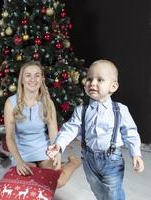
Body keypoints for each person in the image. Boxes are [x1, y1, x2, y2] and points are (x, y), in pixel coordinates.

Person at [47, 59, 145, 199]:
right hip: (89, 159)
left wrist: (135, 153)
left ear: (113, 86)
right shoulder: (81, 110)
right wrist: (59, 144)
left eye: (100, 80)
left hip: (111, 159)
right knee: (97, 189)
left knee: (113, 192)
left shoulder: (120, 110)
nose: (92, 83)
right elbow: (70, 128)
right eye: (89, 79)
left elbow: (130, 132)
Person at [4, 61, 81, 188]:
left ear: (42, 79)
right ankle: (31, 164)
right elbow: (9, 137)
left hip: (43, 149)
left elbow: (53, 133)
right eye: (28, 75)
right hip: (22, 151)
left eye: (37, 75)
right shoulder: (11, 102)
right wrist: (19, 161)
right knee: (31, 182)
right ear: (22, 80)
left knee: (57, 182)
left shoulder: (47, 102)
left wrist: (57, 153)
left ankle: (72, 162)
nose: (33, 79)